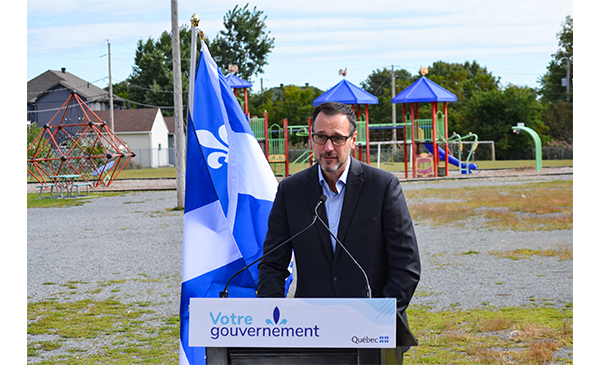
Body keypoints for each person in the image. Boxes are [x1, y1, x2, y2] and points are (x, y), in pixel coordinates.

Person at [257, 101, 421, 359]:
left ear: (353, 140)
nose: (328, 147)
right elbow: (272, 264)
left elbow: (406, 266)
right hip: (311, 332)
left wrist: (378, 318)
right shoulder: (291, 191)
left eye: (337, 138)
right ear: (312, 138)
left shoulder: (382, 187)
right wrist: (270, 320)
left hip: (373, 334)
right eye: (321, 137)